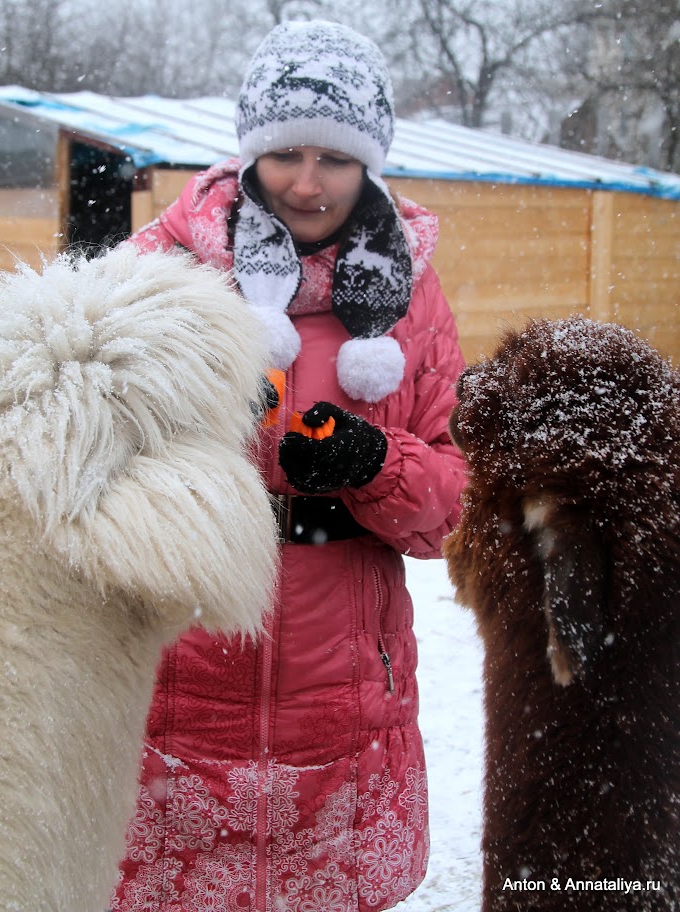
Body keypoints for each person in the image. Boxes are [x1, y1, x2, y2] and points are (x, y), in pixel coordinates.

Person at [111, 19, 466, 912]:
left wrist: (376, 462)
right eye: (284, 155)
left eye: (335, 159)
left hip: (347, 700)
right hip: (181, 676)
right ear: (247, 155)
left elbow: (454, 505)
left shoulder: (413, 297)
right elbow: (78, 459)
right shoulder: (159, 270)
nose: (307, 184)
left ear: (371, 163)